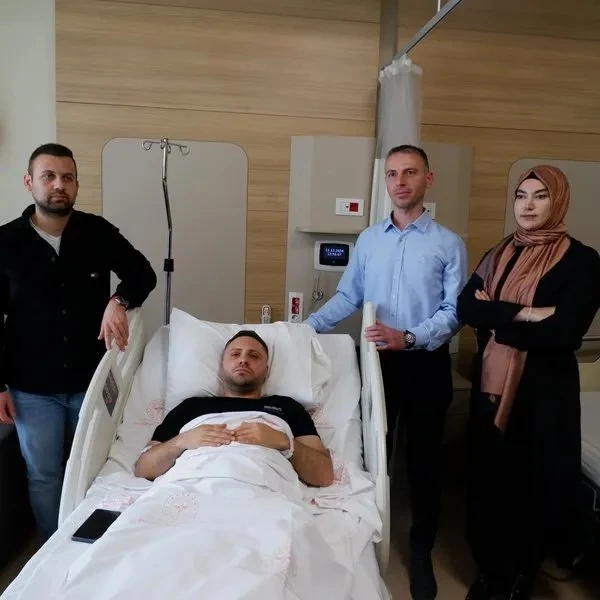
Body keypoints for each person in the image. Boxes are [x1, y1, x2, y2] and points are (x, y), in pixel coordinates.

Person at [305, 144, 467, 600]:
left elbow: (455, 311)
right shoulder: (369, 240)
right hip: (374, 366)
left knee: (423, 463)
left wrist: (410, 337)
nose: (400, 181)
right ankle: (363, 541)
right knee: (368, 456)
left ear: (427, 179)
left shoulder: (448, 244)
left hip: (425, 364)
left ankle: (420, 553)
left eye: (410, 172)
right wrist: (303, 329)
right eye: (393, 173)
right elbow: (348, 297)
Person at [457, 165, 600, 600]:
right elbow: (467, 308)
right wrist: (526, 313)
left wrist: (497, 319)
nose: (529, 205)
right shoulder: (496, 253)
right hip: (491, 388)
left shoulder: (582, 261)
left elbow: (565, 332)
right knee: (487, 484)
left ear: (558, 201)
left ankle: (522, 576)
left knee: (533, 487)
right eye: (521, 195)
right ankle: (489, 572)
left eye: (540, 196)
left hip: (544, 392)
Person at [0, 143, 157, 540]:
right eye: (49, 176)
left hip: (92, 380)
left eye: (67, 177)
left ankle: (92, 543)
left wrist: (119, 301)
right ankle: (53, 547)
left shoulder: (97, 232)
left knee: (97, 467)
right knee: (43, 473)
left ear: (76, 185)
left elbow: (143, 273)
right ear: (29, 182)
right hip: (31, 386)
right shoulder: (6, 243)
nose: (59, 185)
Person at [135, 330, 334, 487]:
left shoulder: (287, 407)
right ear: (222, 366)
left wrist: (285, 442)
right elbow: (143, 468)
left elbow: (324, 475)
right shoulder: (190, 407)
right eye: (235, 354)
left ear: (266, 371)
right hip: (192, 487)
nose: (243, 360)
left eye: (254, 356)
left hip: (263, 490)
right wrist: (181, 441)